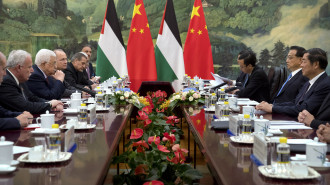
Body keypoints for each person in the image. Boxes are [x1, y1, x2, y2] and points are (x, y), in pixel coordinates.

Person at [257, 48, 330, 117]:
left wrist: (273, 108)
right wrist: (272, 106)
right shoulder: (309, 81)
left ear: (316, 65)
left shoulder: (325, 84)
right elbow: (295, 102)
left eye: (304, 62)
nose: (301, 65)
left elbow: (304, 109)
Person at [0, 50, 63, 114]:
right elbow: (25, 106)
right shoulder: (6, 82)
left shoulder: (20, 79)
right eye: (29, 67)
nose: (32, 70)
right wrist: (49, 104)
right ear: (19, 67)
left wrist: (52, 103)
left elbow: (32, 98)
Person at [0, 51, 33, 129]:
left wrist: (21, 115)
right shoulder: (7, 81)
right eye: (3, 69)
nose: (5, 74)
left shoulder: (20, 80)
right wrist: (17, 121)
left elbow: (2, 112)